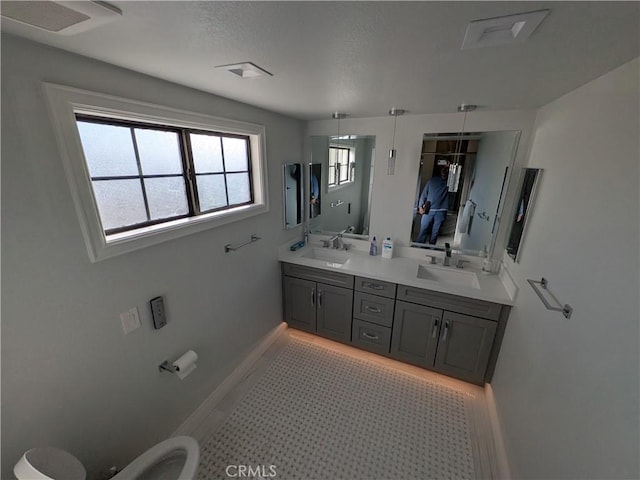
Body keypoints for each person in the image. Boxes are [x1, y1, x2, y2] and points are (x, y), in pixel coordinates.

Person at [417, 166, 450, 244]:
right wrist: (420, 206)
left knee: (435, 231)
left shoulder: (449, 182)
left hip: (440, 210)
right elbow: (424, 194)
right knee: (424, 228)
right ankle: (420, 245)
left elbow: (424, 194)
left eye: (446, 171)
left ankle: (430, 246)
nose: (444, 172)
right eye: (443, 170)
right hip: (430, 209)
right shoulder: (432, 181)